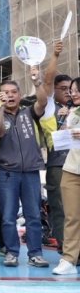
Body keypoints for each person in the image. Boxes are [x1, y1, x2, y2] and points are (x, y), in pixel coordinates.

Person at [0, 41, 61, 268]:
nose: (9, 96)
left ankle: (35, 253)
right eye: (5, 93)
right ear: (0, 96)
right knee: (8, 216)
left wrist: (36, 81)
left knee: (33, 216)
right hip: (7, 173)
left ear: (19, 95)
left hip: (30, 172)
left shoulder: (29, 112)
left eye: (13, 92)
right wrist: (0, 108)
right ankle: (11, 252)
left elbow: (42, 101)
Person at [53, 76, 80, 275]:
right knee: (71, 217)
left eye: (77, 90)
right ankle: (69, 259)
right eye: (72, 90)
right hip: (72, 169)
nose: (73, 94)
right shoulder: (72, 112)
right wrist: (62, 123)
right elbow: (63, 140)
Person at [42, 74, 72, 250]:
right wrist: (63, 121)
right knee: (60, 207)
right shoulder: (50, 109)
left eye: (71, 89)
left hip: (76, 163)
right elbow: (53, 139)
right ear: (54, 90)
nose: (68, 92)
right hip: (58, 164)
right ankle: (65, 247)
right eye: (64, 89)